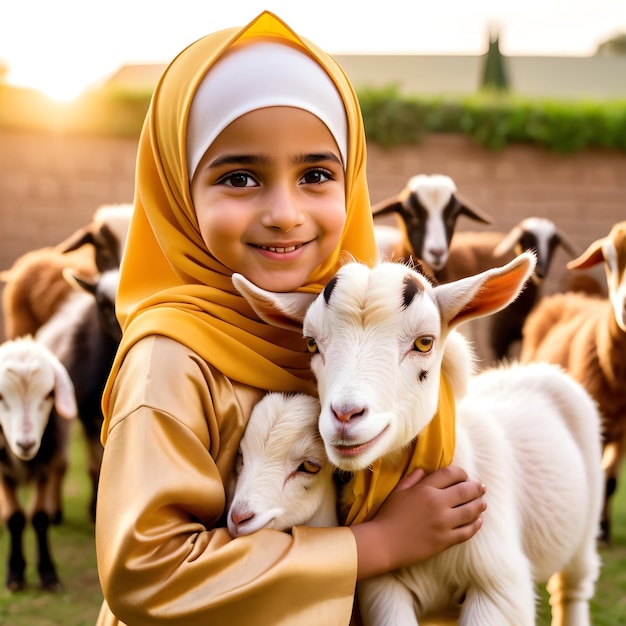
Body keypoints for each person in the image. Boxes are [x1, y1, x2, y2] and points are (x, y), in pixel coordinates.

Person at [94, 10, 487, 626]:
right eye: (240, 176)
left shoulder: (362, 331)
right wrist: (374, 546)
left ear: (352, 181)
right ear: (175, 187)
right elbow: (148, 573)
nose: (284, 212)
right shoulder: (168, 362)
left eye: (316, 174)